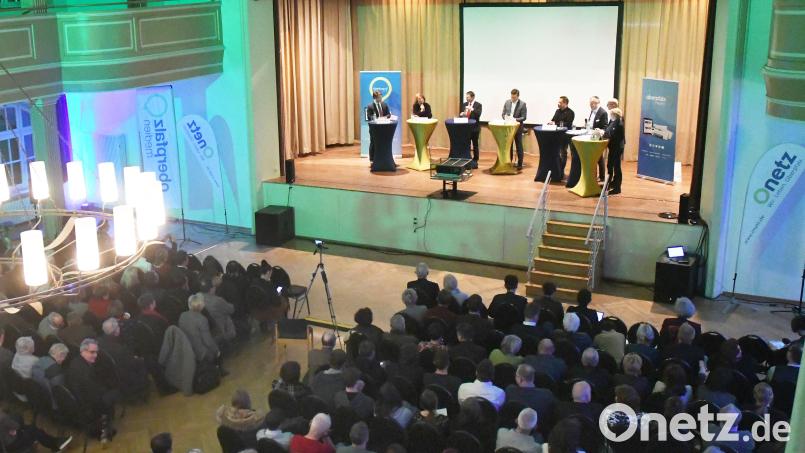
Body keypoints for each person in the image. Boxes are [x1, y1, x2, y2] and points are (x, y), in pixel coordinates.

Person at [65, 339, 118, 440]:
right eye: (92, 352)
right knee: (113, 394)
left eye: (96, 352)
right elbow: (95, 395)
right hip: (88, 405)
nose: (96, 355)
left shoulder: (76, 361)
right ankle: (105, 430)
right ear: (83, 351)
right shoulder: (85, 372)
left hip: (80, 400)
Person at [0, 410, 71, 453]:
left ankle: (53, 445)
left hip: (7, 445)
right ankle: (53, 446)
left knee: (31, 426)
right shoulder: (2, 417)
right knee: (34, 429)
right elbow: (16, 426)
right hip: (14, 443)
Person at [178, 294, 220, 363]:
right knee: (220, 338)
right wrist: (217, 351)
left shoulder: (182, 316)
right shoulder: (202, 319)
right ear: (201, 306)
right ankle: (218, 367)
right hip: (202, 353)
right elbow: (208, 341)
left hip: (189, 352)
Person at [198, 275, 236, 344]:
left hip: (205, 333)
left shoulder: (196, 298)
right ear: (212, 289)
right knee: (227, 315)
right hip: (221, 331)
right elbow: (231, 310)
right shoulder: (217, 300)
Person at [600, 107, 625, 194]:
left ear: (615, 115)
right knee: (610, 166)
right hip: (612, 147)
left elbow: (612, 134)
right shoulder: (613, 121)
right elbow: (608, 130)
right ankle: (609, 183)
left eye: (611, 114)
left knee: (616, 167)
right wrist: (603, 132)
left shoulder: (619, 122)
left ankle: (617, 188)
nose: (610, 115)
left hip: (617, 148)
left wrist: (604, 133)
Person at [548, 96, 576, 175]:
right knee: (556, 153)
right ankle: (556, 169)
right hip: (556, 135)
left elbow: (568, 124)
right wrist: (550, 122)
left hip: (565, 136)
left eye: (560, 102)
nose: (558, 104)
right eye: (558, 102)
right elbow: (553, 120)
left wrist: (555, 123)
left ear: (565, 103)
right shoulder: (557, 111)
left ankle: (561, 170)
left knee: (563, 153)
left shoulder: (571, 112)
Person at [501, 88, 527, 170]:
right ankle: (509, 162)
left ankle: (520, 163)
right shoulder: (507, 102)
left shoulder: (522, 104)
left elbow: (524, 117)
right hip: (508, 127)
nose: (513, 99)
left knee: (519, 145)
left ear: (518, 96)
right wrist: (506, 117)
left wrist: (515, 119)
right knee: (509, 146)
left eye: (514, 97)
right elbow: (503, 113)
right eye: (512, 97)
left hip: (517, 128)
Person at [586, 96, 608, 181]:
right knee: (595, 157)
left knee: (599, 157)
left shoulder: (603, 112)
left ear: (598, 103)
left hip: (598, 138)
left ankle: (602, 177)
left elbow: (605, 127)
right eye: (591, 103)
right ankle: (594, 175)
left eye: (594, 103)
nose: (591, 104)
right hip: (591, 136)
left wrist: (599, 130)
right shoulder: (592, 111)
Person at [460, 91, 483, 168]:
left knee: (475, 144)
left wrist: (472, 109)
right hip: (466, 128)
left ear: (472, 97)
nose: (466, 98)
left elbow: (478, 114)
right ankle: (468, 158)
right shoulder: (464, 104)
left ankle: (475, 159)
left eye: (468, 97)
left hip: (475, 128)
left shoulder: (478, 105)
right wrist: (462, 114)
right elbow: (463, 115)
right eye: (466, 97)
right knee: (467, 144)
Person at [366, 90, 391, 163]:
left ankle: (384, 158)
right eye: (379, 97)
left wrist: (385, 117)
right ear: (375, 98)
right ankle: (372, 159)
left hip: (384, 127)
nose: (381, 98)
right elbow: (369, 117)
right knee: (373, 143)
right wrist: (375, 118)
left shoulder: (384, 105)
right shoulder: (370, 106)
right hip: (374, 128)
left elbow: (389, 114)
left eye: (381, 97)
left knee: (384, 143)